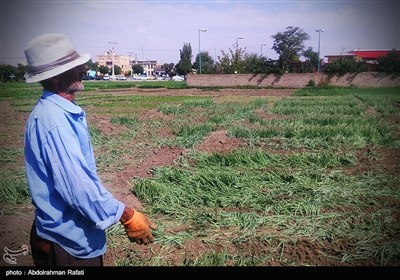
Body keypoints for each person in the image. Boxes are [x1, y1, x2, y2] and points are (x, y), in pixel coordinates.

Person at [23, 33, 157, 266]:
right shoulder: (54, 121)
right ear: (55, 76)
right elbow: (79, 189)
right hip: (67, 245)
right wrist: (127, 216)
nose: (84, 68)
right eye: (76, 66)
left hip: (73, 237)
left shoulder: (61, 112)